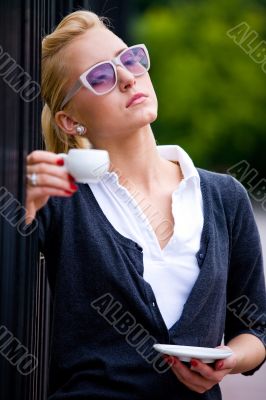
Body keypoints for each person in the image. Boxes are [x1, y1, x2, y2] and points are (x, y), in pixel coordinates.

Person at [25, 10, 266, 400]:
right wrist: (25, 208)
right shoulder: (61, 200)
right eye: (100, 76)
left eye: (129, 58)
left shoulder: (226, 197)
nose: (125, 77)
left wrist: (228, 359)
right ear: (70, 122)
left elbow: (255, 328)